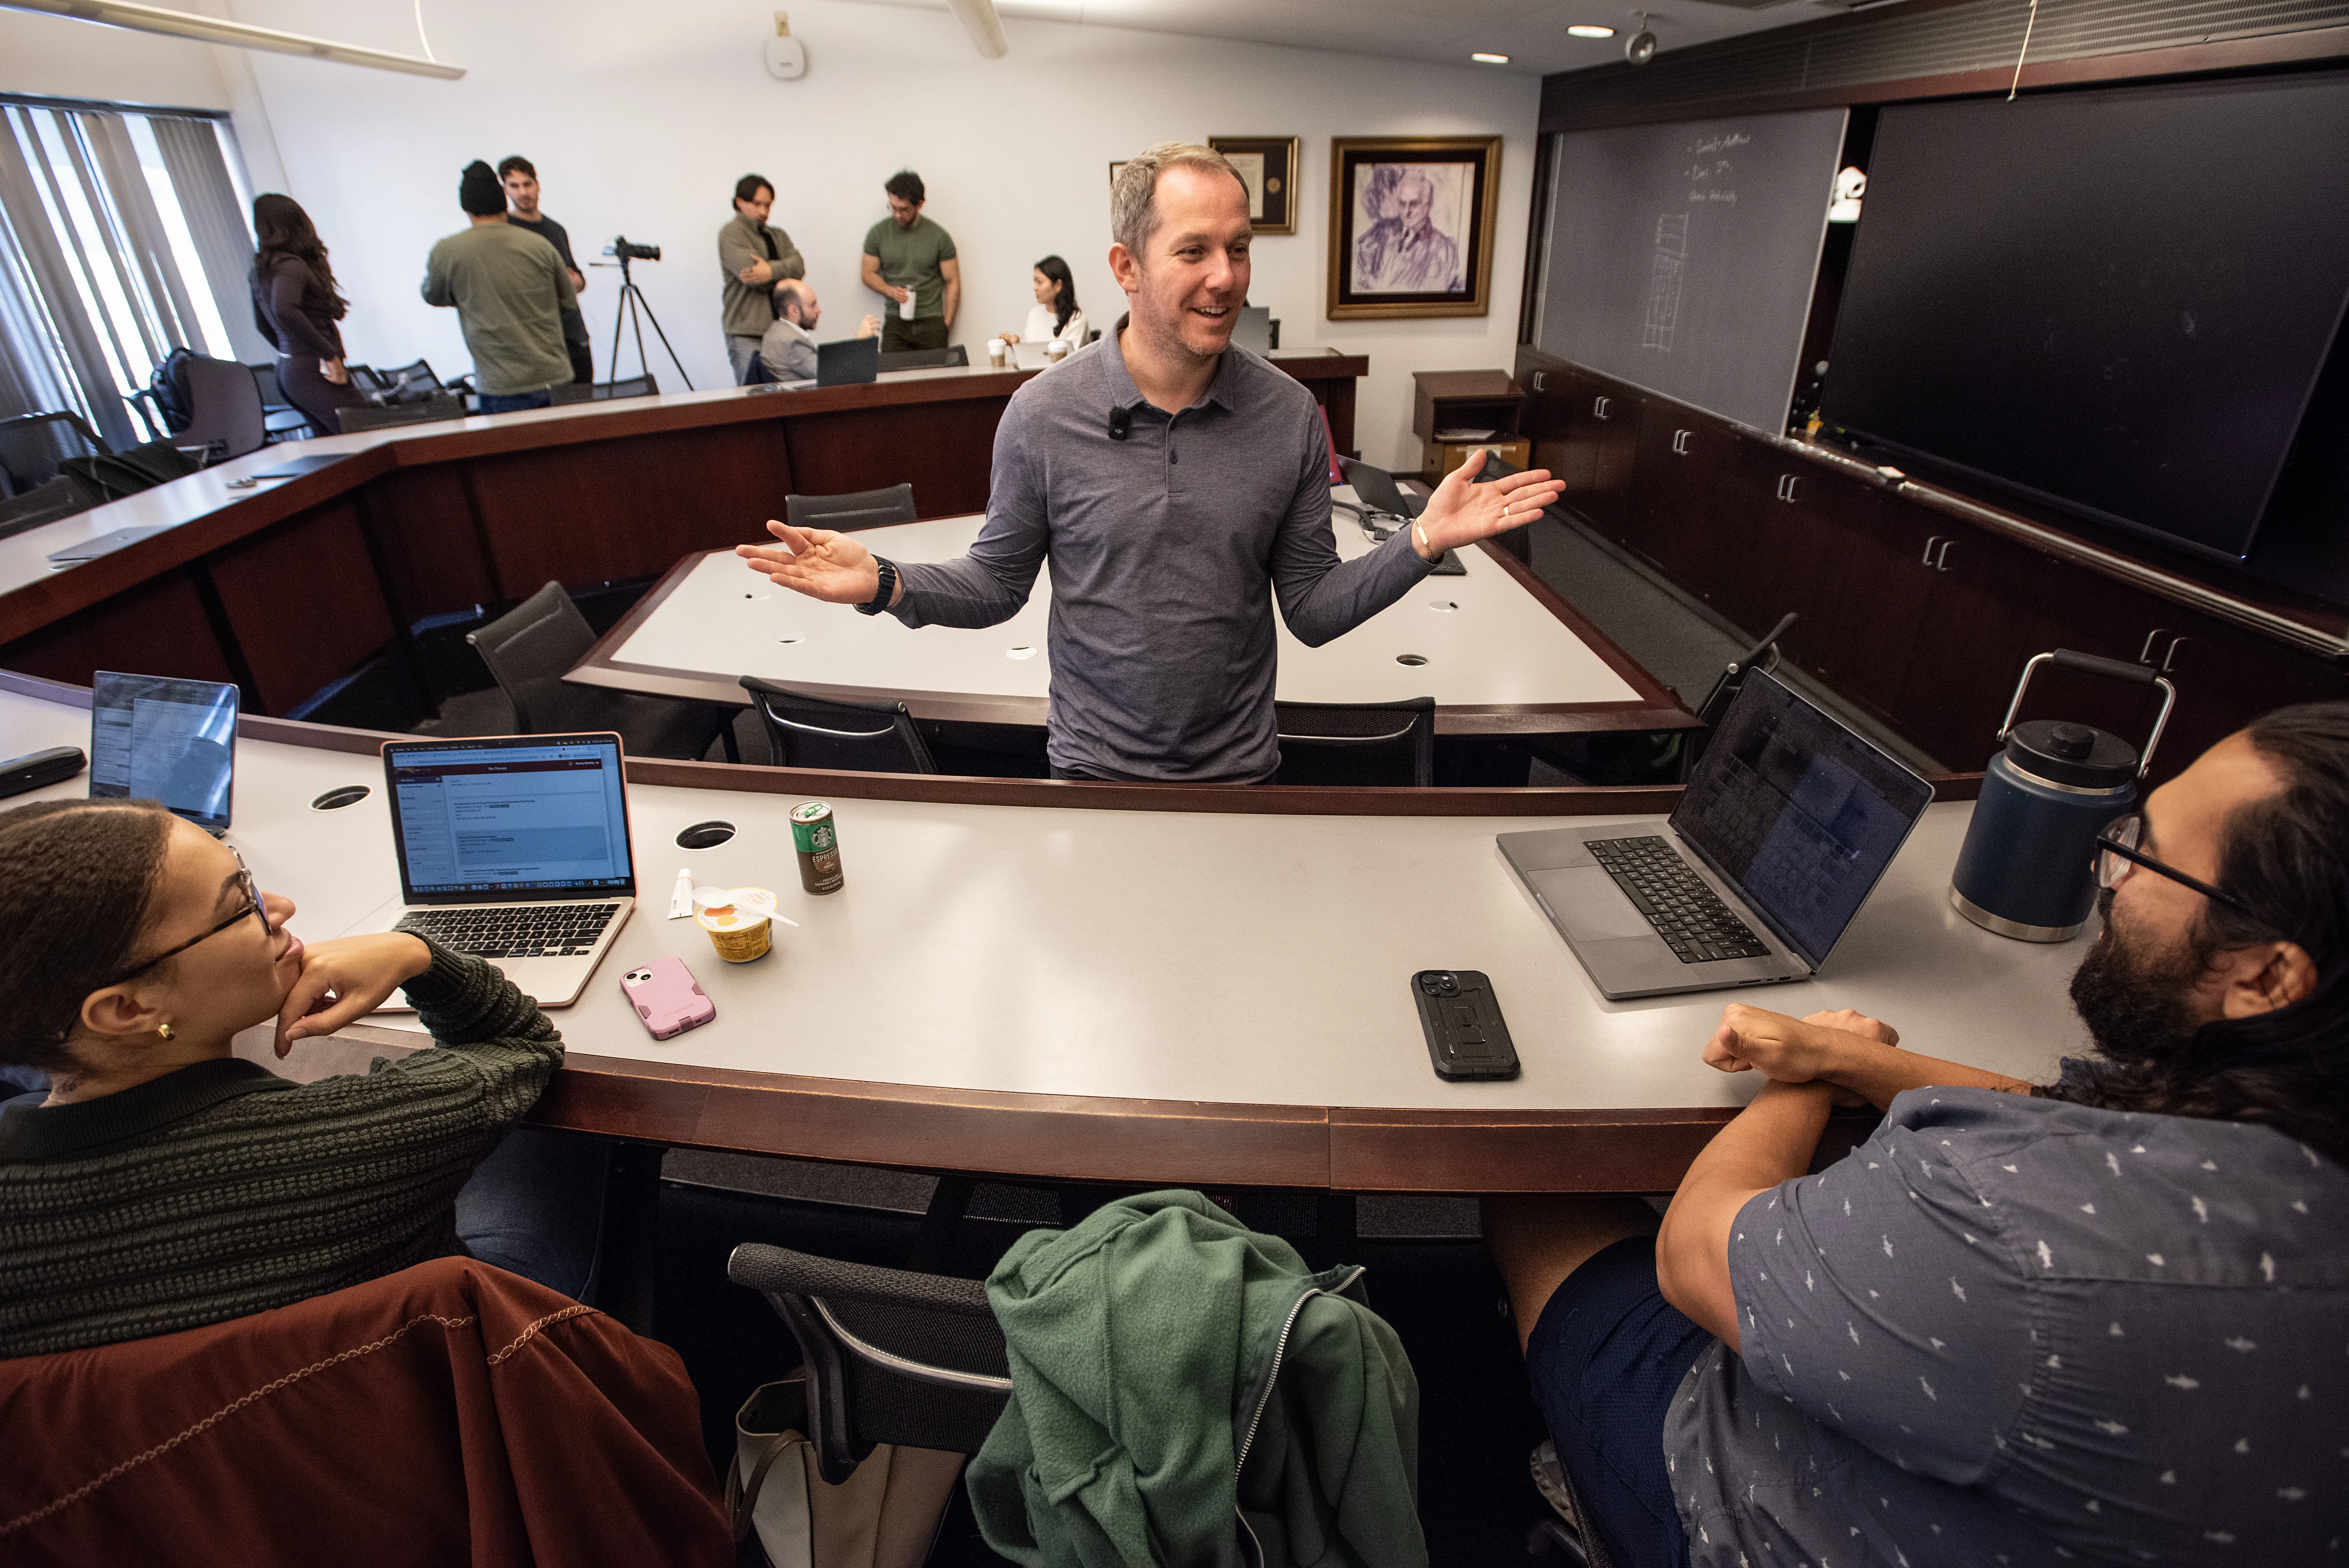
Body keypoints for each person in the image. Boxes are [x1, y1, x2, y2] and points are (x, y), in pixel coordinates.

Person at [1484, 704, 2349, 1567]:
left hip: (1750, 1482)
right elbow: (2086, 1110)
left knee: (1532, 1186)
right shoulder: (2290, 1125)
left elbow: (1697, 1252)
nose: (2112, 879)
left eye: (2147, 854)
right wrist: (1846, 1053)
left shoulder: (2017, 1230)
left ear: (2267, 973)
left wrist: (1798, 1086)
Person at [739, 143, 1563, 783]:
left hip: (1242, 774)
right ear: (1126, 267)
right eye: (1194, 250)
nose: (1226, 278)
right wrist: (885, 581)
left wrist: (1420, 542)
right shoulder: (1041, 415)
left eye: (1239, 249)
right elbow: (997, 583)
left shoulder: (1288, 415)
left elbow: (1312, 607)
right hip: (1091, 771)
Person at [0, 797, 611, 1357]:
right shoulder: (356, 1136)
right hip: (457, 1380)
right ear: (126, 1009)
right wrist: (416, 956)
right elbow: (519, 1043)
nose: (281, 908)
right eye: (240, 905)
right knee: (563, 1132)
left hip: (227, 1436)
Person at [421, 160, 576, 415]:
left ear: (466, 207)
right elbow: (568, 302)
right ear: (503, 200)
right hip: (555, 377)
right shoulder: (540, 245)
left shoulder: (447, 251)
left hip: (501, 385)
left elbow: (434, 296)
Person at [248, 194, 366, 436]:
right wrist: (328, 355)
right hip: (314, 371)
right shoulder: (292, 266)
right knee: (368, 436)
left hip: (289, 371)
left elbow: (263, 325)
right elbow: (285, 310)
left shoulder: (262, 271)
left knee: (338, 449)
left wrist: (293, 353)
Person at [499, 154, 592, 386]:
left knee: (586, 403)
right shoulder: (504, 232)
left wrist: (577, 282)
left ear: (537, 185)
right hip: (538, 343)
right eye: (515, 186)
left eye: (527, 184)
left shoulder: (555, 230)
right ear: (505, 190)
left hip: (573, 336)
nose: (523, 192)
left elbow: (575, 276)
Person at [861, 170, 959, 354]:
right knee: (891, 373)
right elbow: (867, 273)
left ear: (919, 205)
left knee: (936, 373)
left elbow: (953, 280)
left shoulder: (940, 237)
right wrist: (890, 291)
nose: (897, 215)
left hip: (932, 322)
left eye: (904, 210)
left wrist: (946, 324)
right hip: (895, 322)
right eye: (893, 208)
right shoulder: (878, 233)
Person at [719, 174, 804, 385]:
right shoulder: (731, 233)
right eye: (757, 204)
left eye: (768, 205)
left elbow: (799, 267)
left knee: (786, 395)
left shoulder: (778, 235)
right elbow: (753, 276)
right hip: (747, 334)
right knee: (754, 397)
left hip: (781, 331)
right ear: (740, 202)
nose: (764, 212)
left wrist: (770, 271)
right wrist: (782, 273)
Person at [1353, 168, 1462, 295]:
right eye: (1403, 204)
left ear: (1429, 205)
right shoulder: (1382, 229)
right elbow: (1356, 260)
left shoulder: (1446, 249)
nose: (1407, 212)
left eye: (1414, 204)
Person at [757, 278, 878, 384]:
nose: (818, 310)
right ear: (794, 311)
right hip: (804, 401)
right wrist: (858, 341)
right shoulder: (791, 342)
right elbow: (832, 374)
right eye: (813, 305)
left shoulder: (775, 331)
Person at [1000, 254, 1087, 351]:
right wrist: (1017, 344)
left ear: (1058, 286)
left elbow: (1068, 358)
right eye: (1035, 281)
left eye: (1040, 282)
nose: (1035, 288)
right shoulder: (1034, 314)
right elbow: (1033, 353)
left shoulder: (1076, 319)